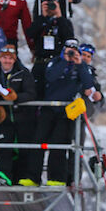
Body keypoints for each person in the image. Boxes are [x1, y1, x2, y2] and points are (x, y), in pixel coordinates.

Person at [18, 39, 93, 187]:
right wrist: (65, 61)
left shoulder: (82, 66)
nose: (71, 53)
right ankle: (33, 177)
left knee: (59, 145)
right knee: (38, 142)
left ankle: (56, 178)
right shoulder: (55, 62)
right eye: (68, 50)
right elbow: (51, 76)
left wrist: (79, 64)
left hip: (66, 112)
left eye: (73, 50)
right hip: (49, 108)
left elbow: (88, 85)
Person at [0, 44, 36, 186]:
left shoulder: (23, 73)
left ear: (14, 60)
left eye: (10, 58)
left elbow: (31, 94)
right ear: (0, 58)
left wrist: (15, 97)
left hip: (22, 118)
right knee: (4, 146)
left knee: (22, 149)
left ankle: (21, 178)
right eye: (4, 58)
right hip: (3, 118)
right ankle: (4, 174)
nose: (7, 61)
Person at [26, 0, 74, 99]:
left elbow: (69, 38)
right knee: (37, 92)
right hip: (40, 62)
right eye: (47, 5)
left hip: (56, 63)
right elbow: (30, 34)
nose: (50, 7)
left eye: (52, 4)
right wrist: (43, 17)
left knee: (56, 92)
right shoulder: (39, 21)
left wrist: (59, 16)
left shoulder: (63, 22)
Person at [79, 43, 104, 108]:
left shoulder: (91, 72)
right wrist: (82, 91)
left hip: (86, 107)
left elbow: (97, 89)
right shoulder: (71, 69)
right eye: (83, 55)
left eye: (88, 56)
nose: (85, 58)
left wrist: (99, 96)